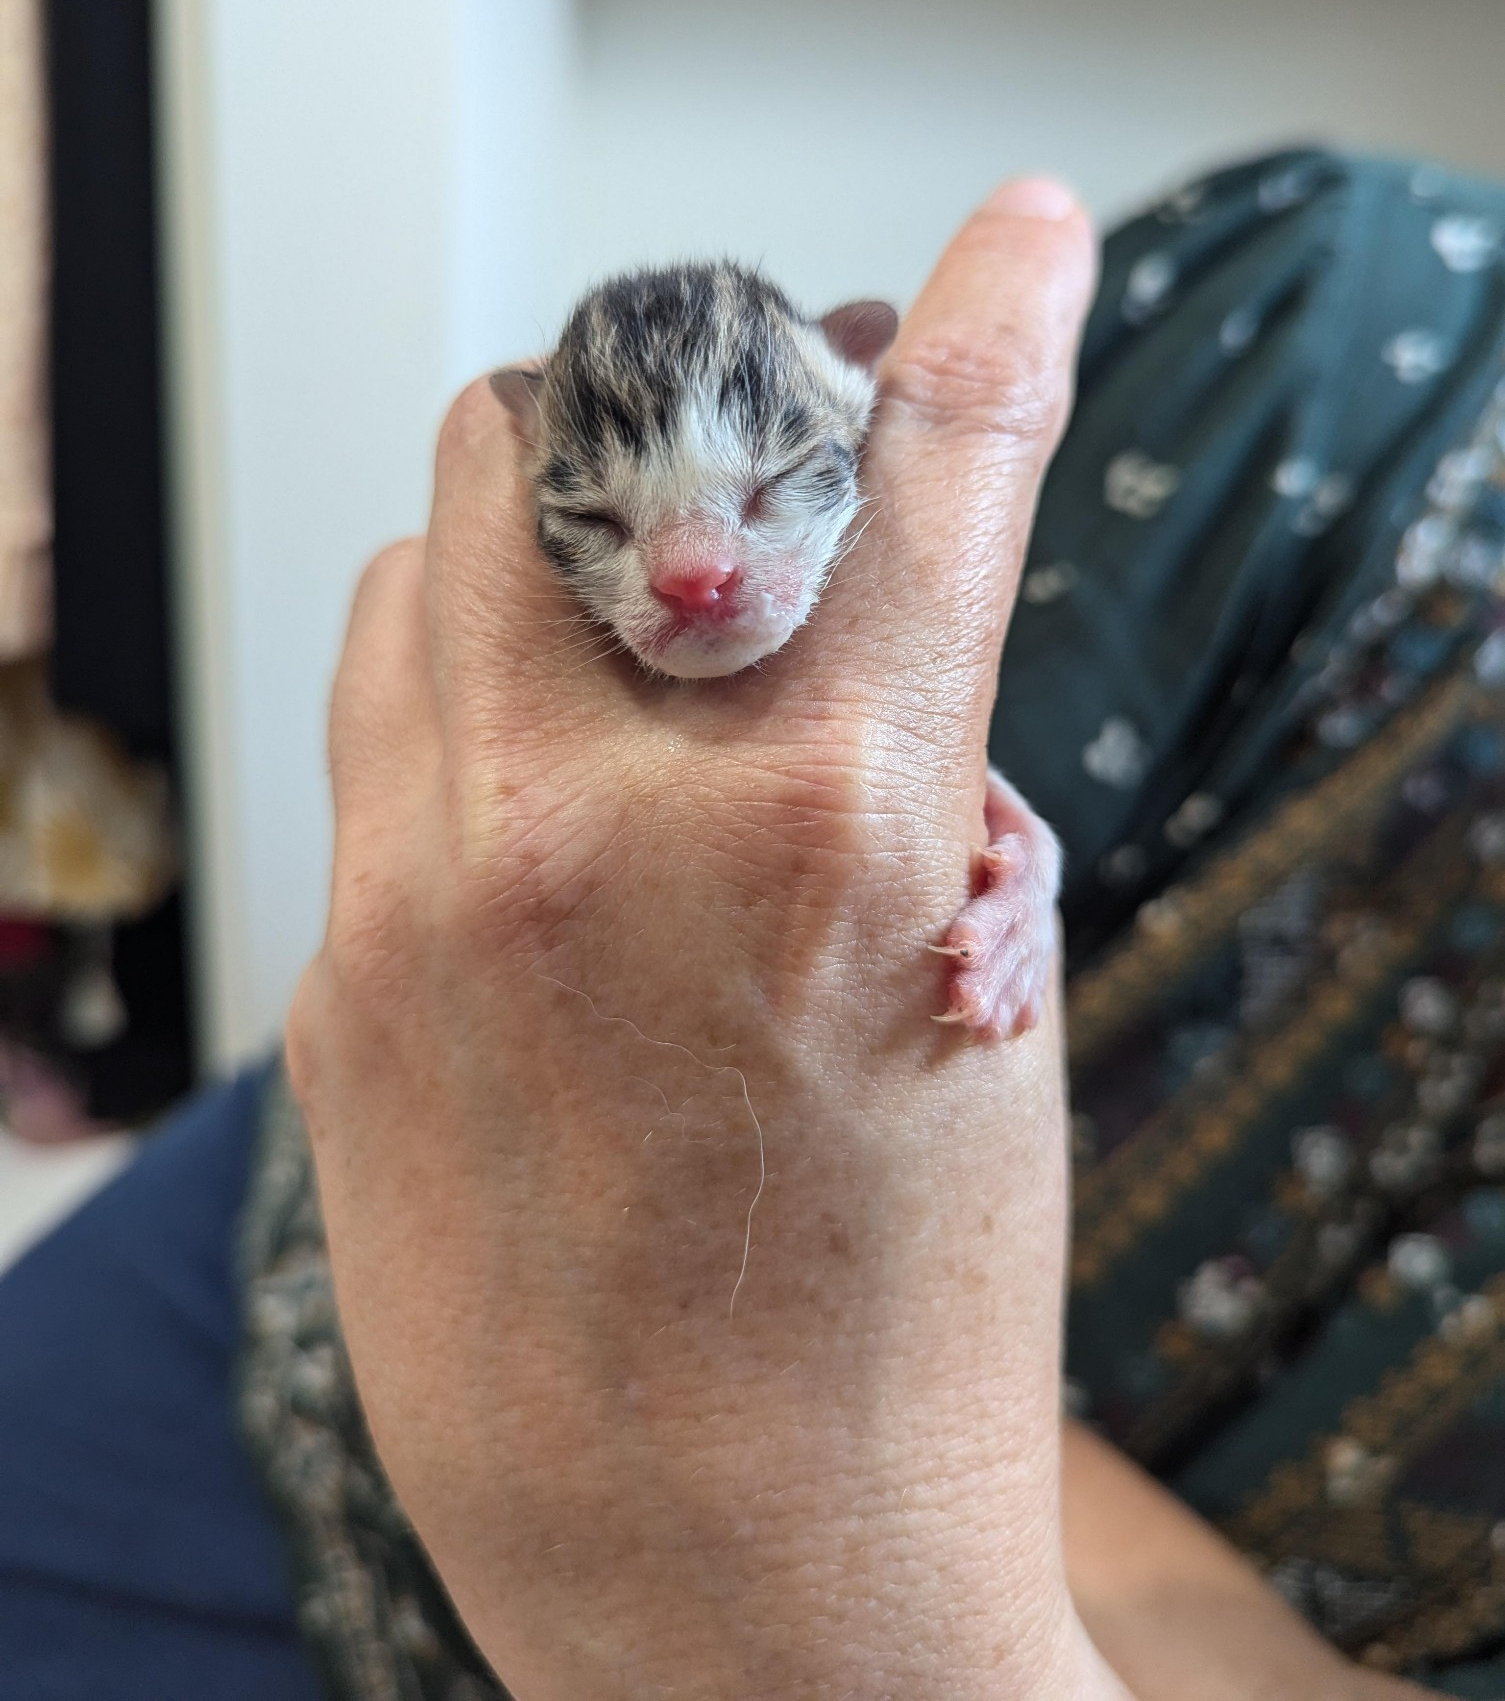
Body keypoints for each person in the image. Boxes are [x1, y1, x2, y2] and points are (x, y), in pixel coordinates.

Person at [0, 150, 1500, 1700]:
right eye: (592, 514)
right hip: (304, 1286)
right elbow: (857, 804)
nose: (705, 579)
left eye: (775, 494)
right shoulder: (1361, 324)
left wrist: (814, 1556)